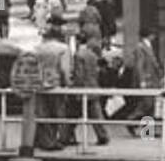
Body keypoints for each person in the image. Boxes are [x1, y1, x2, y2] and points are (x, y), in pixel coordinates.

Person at [34, 15, 73, 151]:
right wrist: (67, 84)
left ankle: (45, 140)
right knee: (57, 112)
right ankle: (56, 139)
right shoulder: (63, 49)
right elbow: (64, 69)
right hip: (55, 84)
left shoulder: (37, 49)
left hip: (39, 83)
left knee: (42, 113)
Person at [72, 34, 110, 145]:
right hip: (93, 87)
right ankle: (103, 136)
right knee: (96, 114)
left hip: (82, 89)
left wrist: (75, 87)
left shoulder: (78, 55)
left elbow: (79, 74)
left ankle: (65, 137)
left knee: (71, 113)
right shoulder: (93, 55)